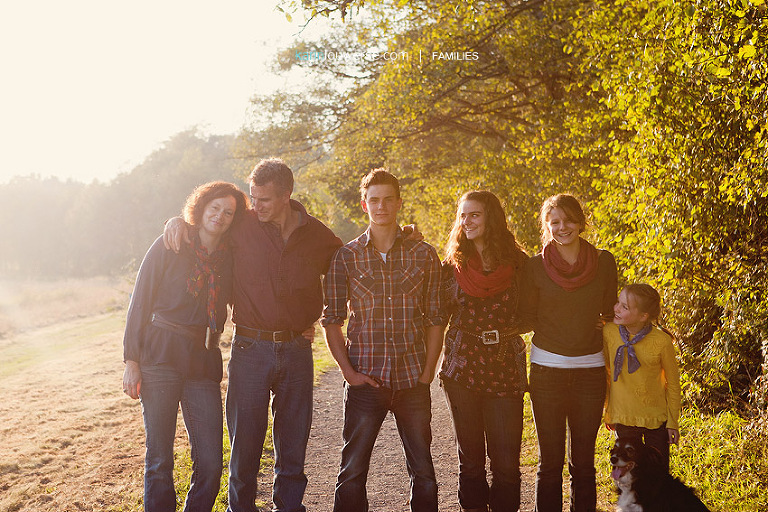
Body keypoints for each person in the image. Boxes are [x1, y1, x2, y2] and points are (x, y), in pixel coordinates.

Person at [163, 158, 343, 512]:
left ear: (286, 196)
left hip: (296, 349)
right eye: (253, 196)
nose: (255, 205)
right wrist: (178, 222)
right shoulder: (241, 224)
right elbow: (205, 227)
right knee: (244, 448)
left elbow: (352, 260)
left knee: (293, 445)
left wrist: (401, 236)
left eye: (264, 200)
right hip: (249, 349)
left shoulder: (317, 235)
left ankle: (288, 508)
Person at [321, 168, 444, 512]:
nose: (381, 207)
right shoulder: (346, 257)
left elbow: (436, 318)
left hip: (412, 380)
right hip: (365, 380)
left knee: (424, 472)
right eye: (374, 200)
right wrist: (348, 372)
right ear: (364, 204)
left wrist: (428, 372)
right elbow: (331, 320)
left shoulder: (424, 254)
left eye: (389, 199)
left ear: (399, 203)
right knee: (352, 472)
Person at [123, 181, 249, 512]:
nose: (220, 216)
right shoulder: (171, 243)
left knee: (210, 462)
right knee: (159, 459)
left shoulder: (230, 259)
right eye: (215, 208)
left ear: (234, 219)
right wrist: (131, 361)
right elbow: (140, 302)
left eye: (228, 212)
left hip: (203, 360)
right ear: (201, 208)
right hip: (160, 356)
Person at [518, 193, 618, 512]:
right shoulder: (534, 266)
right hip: (547, 371)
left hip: (590, 372)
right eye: (555, 222)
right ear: (546, 226)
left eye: (569, 220)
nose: (563, 227)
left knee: (584, 465)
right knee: (550, 463)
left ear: (581, 222)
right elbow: (527, 315)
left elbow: (611, 310)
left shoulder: (604, 261)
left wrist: (604, 322)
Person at [439, 191, 529, 512]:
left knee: (506, 465)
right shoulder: (450, 267)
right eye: (462, 215)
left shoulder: (519, 264)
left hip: (505, 368)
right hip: (461, 369)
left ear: (491, 218)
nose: (467, 221)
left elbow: (536, 311)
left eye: (474, 214)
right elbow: (433, 317)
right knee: (471, 463)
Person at [603, 283, 681, 471]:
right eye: (618, 303)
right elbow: (605, 373)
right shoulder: (608, 332)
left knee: (657, 473)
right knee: (628, 473)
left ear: (643, 316)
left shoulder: (661, 341)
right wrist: (609, 410)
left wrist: (673, 422)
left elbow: (673, 384)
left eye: (624, 307)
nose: (616, 308)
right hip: (624, 417)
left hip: (656, 419)